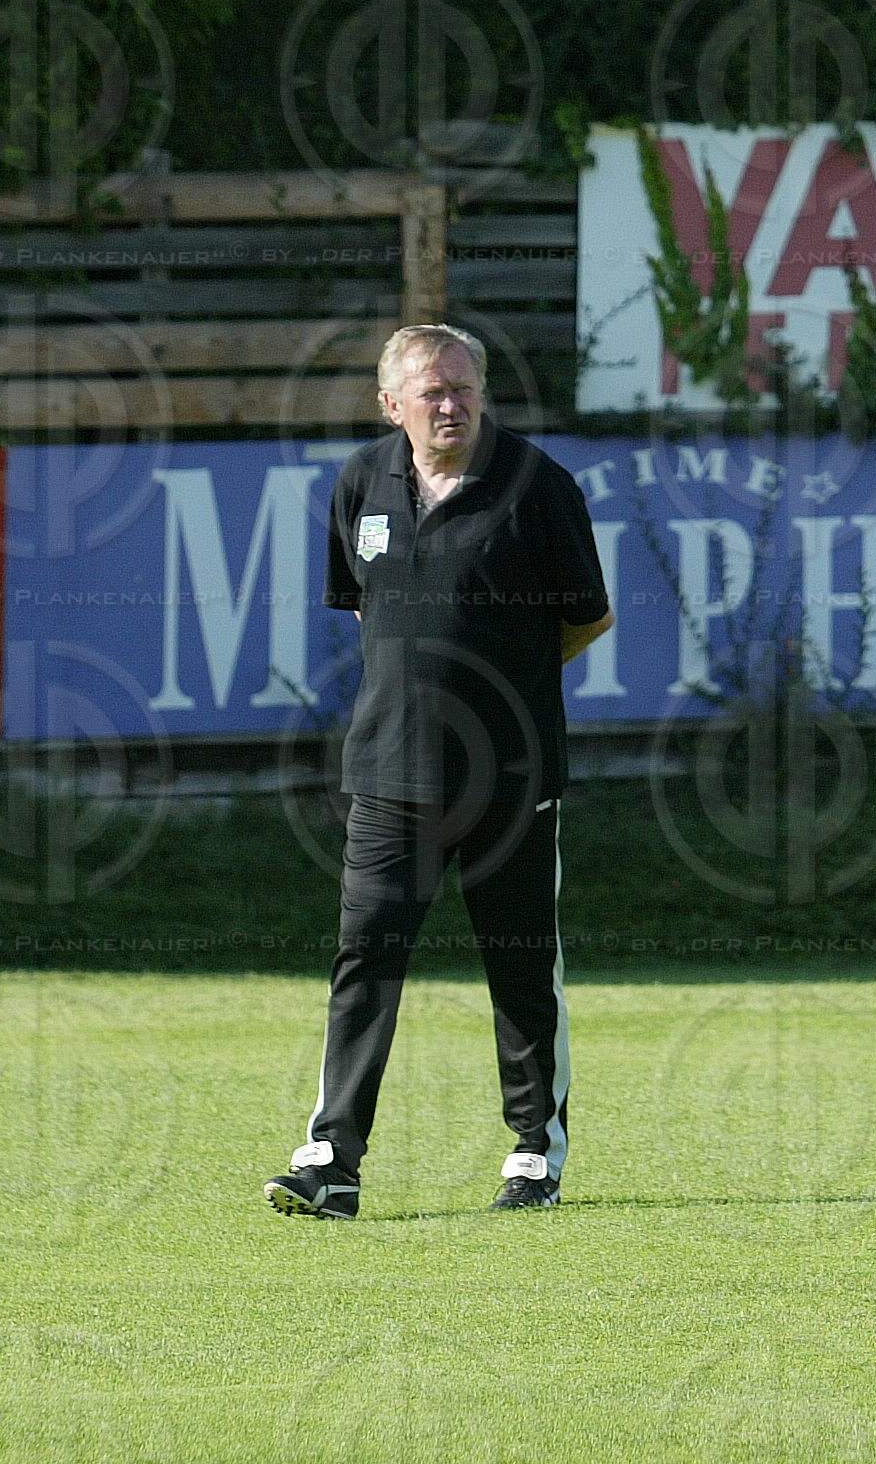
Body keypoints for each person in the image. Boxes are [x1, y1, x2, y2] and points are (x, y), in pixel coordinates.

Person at [264, 324, 613, 1219]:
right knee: (365, 960)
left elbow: (588, 617)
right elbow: (364, 607)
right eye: (432, 392)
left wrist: (501, 691)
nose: (451, 405)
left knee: (521, 967)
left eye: (463, 388)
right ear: (392, 405)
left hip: (513, 777)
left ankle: (534, 1157)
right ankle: (332, 1162)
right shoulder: (360, 483)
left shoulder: (538, 485)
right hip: (388, 774)